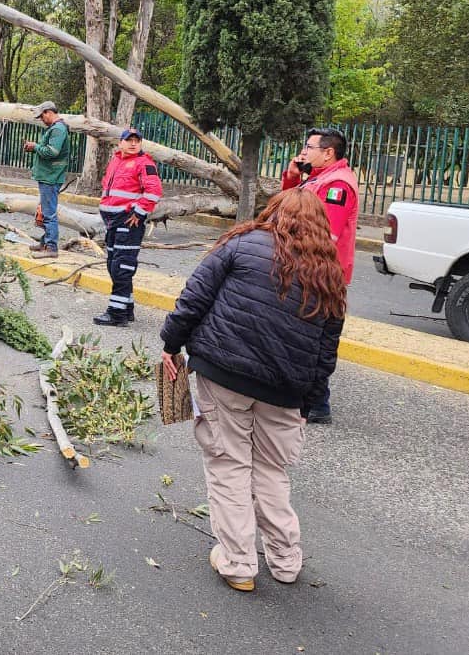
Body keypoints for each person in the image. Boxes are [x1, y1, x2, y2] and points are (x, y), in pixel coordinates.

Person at [158, 188, 346, 592]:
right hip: (286, 390)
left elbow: (193, 300)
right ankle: (285, 562)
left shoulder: (241, 243)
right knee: (271, 471)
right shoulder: (330, 274)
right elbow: (326, 352)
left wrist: (171, 345)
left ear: (273, 212)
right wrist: (309, 403)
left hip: (224, 373)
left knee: (229, 465)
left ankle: (239, 563)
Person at [282, 126, 360, 424]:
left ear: (328, 152)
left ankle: (316, 403)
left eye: (309, 147)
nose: (304, 151)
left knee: (318, 337)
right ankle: (307, 398)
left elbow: (324, 234)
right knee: (304, 334)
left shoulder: (337, 185)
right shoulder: (318, 179)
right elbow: (290, 210)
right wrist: (292, 177)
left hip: (323, 274)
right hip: (308, 269)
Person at [93, 127, 163, 326]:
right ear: (120, 143)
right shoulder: (116, 160)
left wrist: (139, 212)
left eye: (137, 140)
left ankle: (116, 314)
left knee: (122, 266)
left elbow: (154, 191)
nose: (133, 143)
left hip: (127, 221)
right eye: (129, 140)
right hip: (112, 221)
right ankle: (126, 308)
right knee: (114, 264)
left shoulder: (144, 163)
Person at [22, 101, 70, 259]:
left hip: (51, 176)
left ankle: (51, 247)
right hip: (48, 175)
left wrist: (35, 147)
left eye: (42, 116)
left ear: (49, 112)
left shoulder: (58, 129)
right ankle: (45, 242)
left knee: (48, 214)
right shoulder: (55, 129)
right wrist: (34, 148)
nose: (41, 120)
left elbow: (52, 152)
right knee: (43, 212)